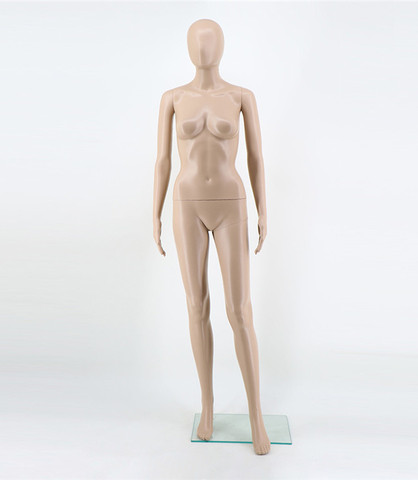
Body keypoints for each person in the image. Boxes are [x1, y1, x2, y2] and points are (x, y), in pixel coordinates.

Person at [152, 18, 270, 455]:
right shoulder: (172, 98)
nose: (203, 48)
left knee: (239, 310)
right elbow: (163, 161)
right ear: (188, 48)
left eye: (210, 41)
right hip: (186, 203)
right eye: (197, 42)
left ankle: (256, 415)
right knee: (195, 305)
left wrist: (263, 209)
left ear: (221, 47)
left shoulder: (240, 96)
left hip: (230, 203)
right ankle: (207, 405)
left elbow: (256, 157)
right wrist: (154, 214)